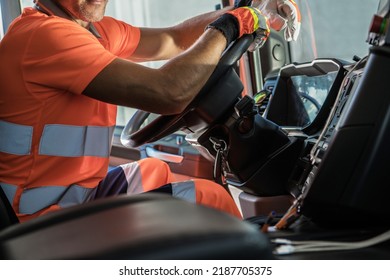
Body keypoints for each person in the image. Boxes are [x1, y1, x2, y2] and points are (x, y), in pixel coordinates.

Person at [0, 0, 300, 222]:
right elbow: (169, 92)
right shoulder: (44, 37)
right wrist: (233, 25)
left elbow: (173, 39)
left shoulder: (91, 31)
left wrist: (253, 14)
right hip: (39, 221)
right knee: (209, 200)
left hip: (76, 195)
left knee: (154, 170)